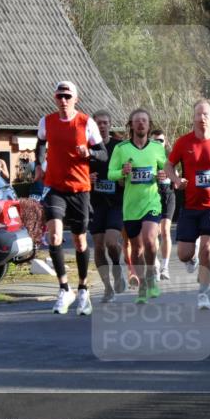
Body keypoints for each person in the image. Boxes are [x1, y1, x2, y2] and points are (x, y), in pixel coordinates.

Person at [34, 81, 108, 315]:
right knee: (54, 235)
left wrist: (91, 152)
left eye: (67, 96)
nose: (63, 100)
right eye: (59, 96)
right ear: (55, 99)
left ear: (76, 98)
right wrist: (39, 164)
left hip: (80, 189)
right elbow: (40, 143)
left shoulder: (87, 123)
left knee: (79, 242)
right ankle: (64, 288)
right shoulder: (47, 121)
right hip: (55, 187)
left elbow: (103, 154)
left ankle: (83, 288)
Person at [165, 99, 210, 310]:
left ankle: (204, 294)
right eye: (199, 114)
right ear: (193, 117)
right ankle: (197, 260)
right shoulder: (183, 142)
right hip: (190, 205)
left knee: (207, 247)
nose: (202, 118)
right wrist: (176, 179)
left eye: (206, 114)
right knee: (184, 254)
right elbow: (168, 165)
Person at [108, 109, 168, 304]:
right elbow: (111, 173)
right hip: (131, 206)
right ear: (131, 125)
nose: (141, 124)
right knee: (137, 249)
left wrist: (163, 176)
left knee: (150, 240)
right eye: (137, 121)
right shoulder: (121, 148)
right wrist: (121, 172)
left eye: (144, 121)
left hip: (151, 202)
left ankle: (151, 277)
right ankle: (143, 284)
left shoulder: (157, 148)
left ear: (149, 125)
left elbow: (166, 169)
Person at [88, 110, 127, 303]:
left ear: (110, 125)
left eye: (105, 123)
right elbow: (78, 170)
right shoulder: (88, 147)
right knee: (98, 246)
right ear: (93, 126)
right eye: (98, 123)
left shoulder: (118, 146)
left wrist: (122, 176)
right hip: (95, 202)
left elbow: (128, 168)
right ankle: (107, 288)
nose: (102, 126)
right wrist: (87, 178)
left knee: (112, 242)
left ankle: (117, 267)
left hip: (116, 202)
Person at [149, 128, 174, 280]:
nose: (158, 143)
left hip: (168, 195)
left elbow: (177, 176)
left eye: (161, 140)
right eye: (155, 140)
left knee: (165, 230)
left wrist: (171, 175)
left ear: (165, 143)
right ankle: (155, 264)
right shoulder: (147, 156)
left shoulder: (171, 157)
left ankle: (165, 266)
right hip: (152, 197)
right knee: (154, 233)